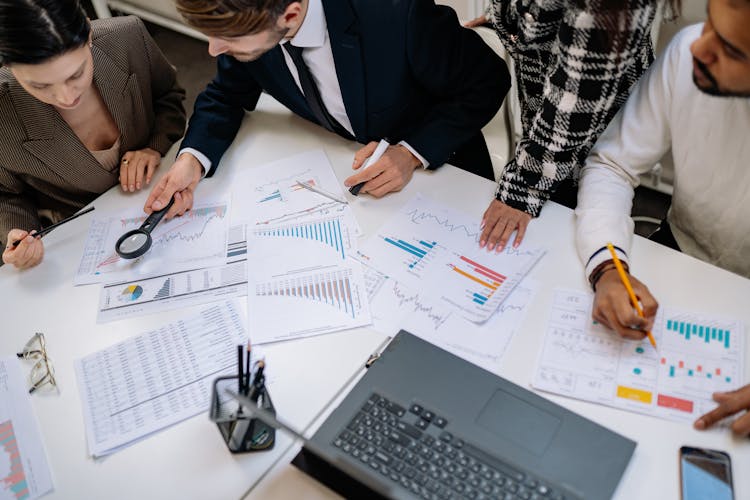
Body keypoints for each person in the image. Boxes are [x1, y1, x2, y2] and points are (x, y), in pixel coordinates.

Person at [143, 0, 509, 218]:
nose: (212, 49)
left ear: (291, 14)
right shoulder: (245, 22)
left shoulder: (397, 15)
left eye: (228, 39)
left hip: (438, 179)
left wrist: (412, 153)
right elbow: (225, 94)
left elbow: (488, 81)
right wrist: (192, 160)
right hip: (338, 179)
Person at [574, 0, 750, 435]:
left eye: (732, 50)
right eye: (709, 20)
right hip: (677, 257)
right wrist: (608, 268)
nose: (698, 47)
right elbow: (613, 166)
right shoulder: (689, 49)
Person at [466, 0, 672, 253]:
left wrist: (523, 187)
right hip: (551, 106)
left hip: (591, 119)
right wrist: (505, 16)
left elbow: (577, 99)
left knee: (573, 230)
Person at [0, 0, 186, 270]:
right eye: (40, 85)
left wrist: (154, 147)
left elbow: (169, 96)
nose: (66, 97)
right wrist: (20, 234)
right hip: (80, 242)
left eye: (76, 74)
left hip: (165, 197)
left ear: (89, 34)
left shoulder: (128, 37)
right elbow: (5, 194)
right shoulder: (4, 111)